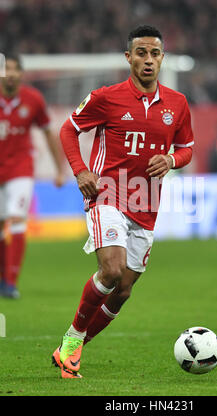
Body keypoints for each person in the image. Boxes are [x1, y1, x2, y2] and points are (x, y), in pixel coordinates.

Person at [52, 25, 194, 379]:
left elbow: (186, 147)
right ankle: (72, 343)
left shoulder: (177, 104)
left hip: (147, 203)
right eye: (141, 53)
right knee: (111, 271)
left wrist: (172, 161)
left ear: (163, 58)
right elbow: (68, 129)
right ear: (128, 57)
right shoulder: (106, 97)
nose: (148, 60)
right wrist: (80, 170)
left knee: (123, 291)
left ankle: (71, 347)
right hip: (108, 195)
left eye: (155, 54)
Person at [0, 55, 65, 299]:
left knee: (16, 219)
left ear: (21, 74)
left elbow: (48, 133)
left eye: (15, 69)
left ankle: (11, 282)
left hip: (21, 168)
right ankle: (2, 278)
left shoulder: (33, 99)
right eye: (6, 69)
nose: (11, 73)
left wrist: (59, 170)